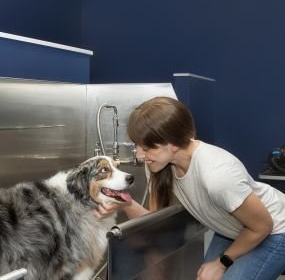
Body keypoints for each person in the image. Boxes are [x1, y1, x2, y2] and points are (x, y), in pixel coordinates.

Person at [95, 96, 285, 280]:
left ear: (174, 143)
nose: (139, 154)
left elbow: (262, 226)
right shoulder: (158, 164)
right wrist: (124, 201)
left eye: (146, 148)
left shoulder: (217, 175)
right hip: (235, 228)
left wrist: (221, 263)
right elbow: (154, 225)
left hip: (275, 229)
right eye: (137, 146)